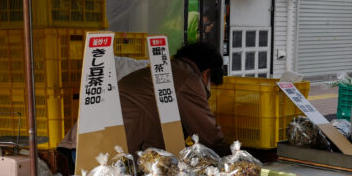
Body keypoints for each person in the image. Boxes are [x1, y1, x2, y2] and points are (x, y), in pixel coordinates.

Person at [59, 41, 228, 155]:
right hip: (107, 155)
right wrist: (234, 160)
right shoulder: (187, 78)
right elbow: (209, 136)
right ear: (206, 74)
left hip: (80, 145)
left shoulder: (162, 71)